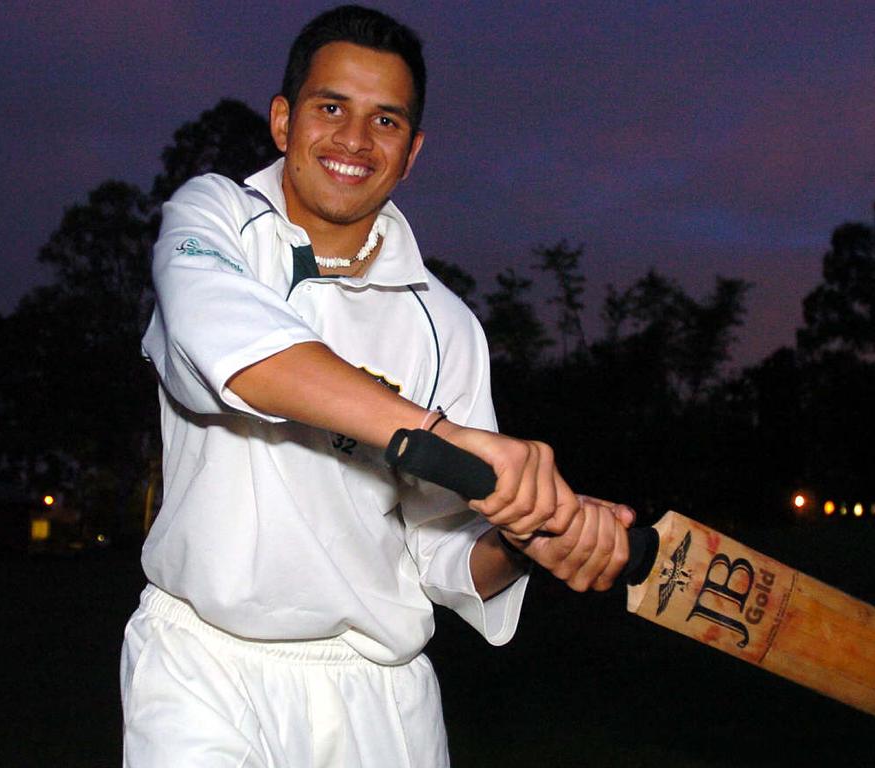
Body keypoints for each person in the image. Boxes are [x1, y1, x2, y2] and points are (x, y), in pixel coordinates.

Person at [120, 6, 632, 767]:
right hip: (200, 665)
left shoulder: (446, 325)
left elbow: (443, 556)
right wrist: (442, 438)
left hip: (379, 693)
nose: (355, 141)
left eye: (385, 121)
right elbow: (228, 348)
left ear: (413, 150)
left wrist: (527, 538)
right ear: (284, 120)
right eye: (332, 108)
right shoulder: (214, 219)